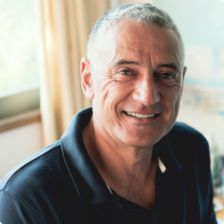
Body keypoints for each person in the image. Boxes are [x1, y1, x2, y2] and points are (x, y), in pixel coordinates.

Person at [0, 3, 217, 224]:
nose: (148, 97)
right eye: (126, 72)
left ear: (182, 79)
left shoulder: (191, 149)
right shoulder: (27, 199)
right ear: (88, 79)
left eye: (166, 75)